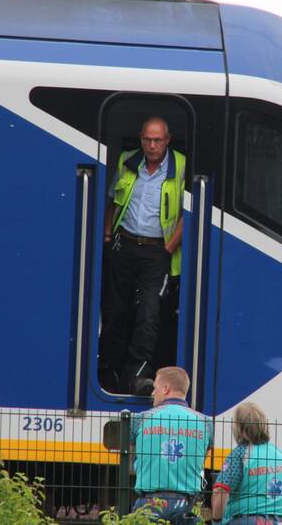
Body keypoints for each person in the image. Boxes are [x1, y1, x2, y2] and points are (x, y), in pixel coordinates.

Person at [100, 116, 185, 395]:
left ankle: (137, 375)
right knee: (115, 310)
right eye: (147, 139)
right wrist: (108, 235)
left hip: (157, 251)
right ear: (141, 138)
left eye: (157, 140)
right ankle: (109, 371)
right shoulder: (127, 161)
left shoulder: (181, 166)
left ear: (167, 140)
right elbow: (113, 200)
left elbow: (188, 215)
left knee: (148, 312)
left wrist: (168, 249)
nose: (152, 145)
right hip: (123, 245)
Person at [132, 366, 214, 524]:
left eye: (155, 387)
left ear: (166, 388)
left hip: (149, 504)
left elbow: (133, 454)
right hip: (187, 505)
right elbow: (202, 459)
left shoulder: (141, 419)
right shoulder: (206, 423)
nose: (152, 393)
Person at [211, 402, 282, 525]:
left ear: (239, 427)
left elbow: (220, 491)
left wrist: (216, 520)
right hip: (280, 521)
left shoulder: (240, 454)